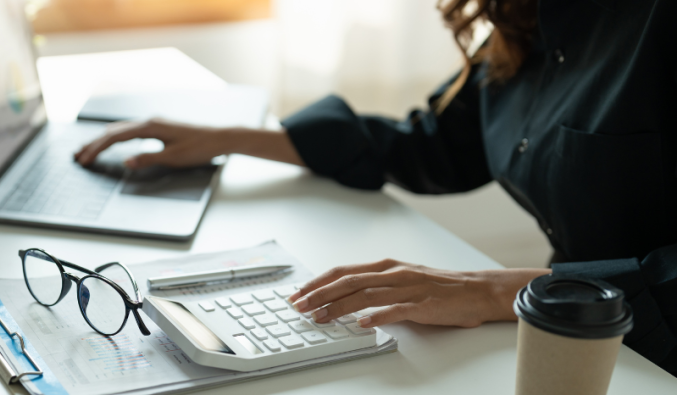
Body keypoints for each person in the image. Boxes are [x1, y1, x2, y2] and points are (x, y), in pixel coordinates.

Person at [75, 0, 676, 375]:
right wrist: (235, 138)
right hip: (571, 344)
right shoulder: (528, 15)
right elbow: (438, 142)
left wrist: (503, 290)